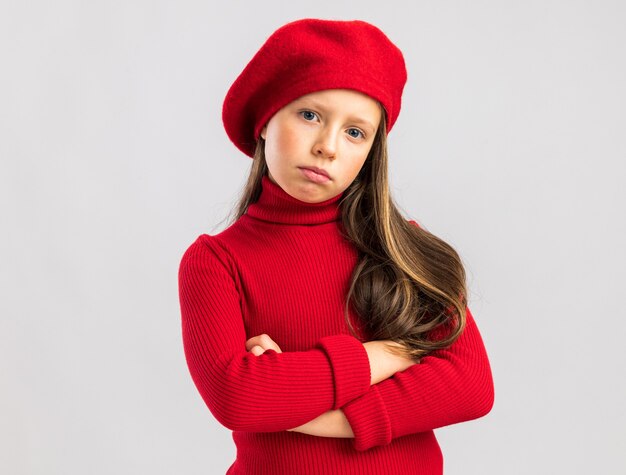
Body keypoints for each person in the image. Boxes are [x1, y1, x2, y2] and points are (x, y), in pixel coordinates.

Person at [178, 18, 494, 475]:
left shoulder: (404, 249)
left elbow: (470, 386)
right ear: (266, 120)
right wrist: (394, 353)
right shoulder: (215, 262)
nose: (327, 146)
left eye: (355, 132)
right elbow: (238, 397)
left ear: (370, 152)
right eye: (310, 115)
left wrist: (305, 408)